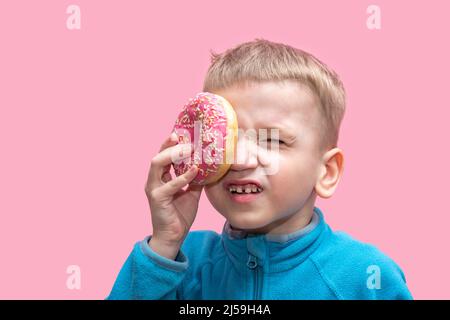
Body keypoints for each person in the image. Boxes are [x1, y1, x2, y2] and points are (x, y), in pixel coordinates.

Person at [107, 39, 413, 300]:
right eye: (225, 138)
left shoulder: (365, 276)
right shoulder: (180, 262)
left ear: (327, 172)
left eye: (273, 140)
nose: (239, 160)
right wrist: (164, 246)